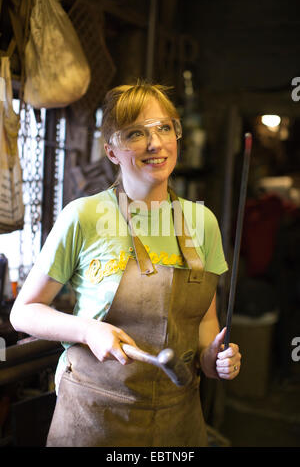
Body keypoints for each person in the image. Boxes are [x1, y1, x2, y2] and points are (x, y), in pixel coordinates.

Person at [10, 82, 241, 447]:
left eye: (164, 127)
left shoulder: (203, 222)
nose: (155, 143)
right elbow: (23, 313)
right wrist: (87, 330)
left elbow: (204, 327)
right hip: (94, 416)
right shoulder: (83, 215)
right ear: (112, 151)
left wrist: (215, 359)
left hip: (176, 419)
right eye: (136, 133)